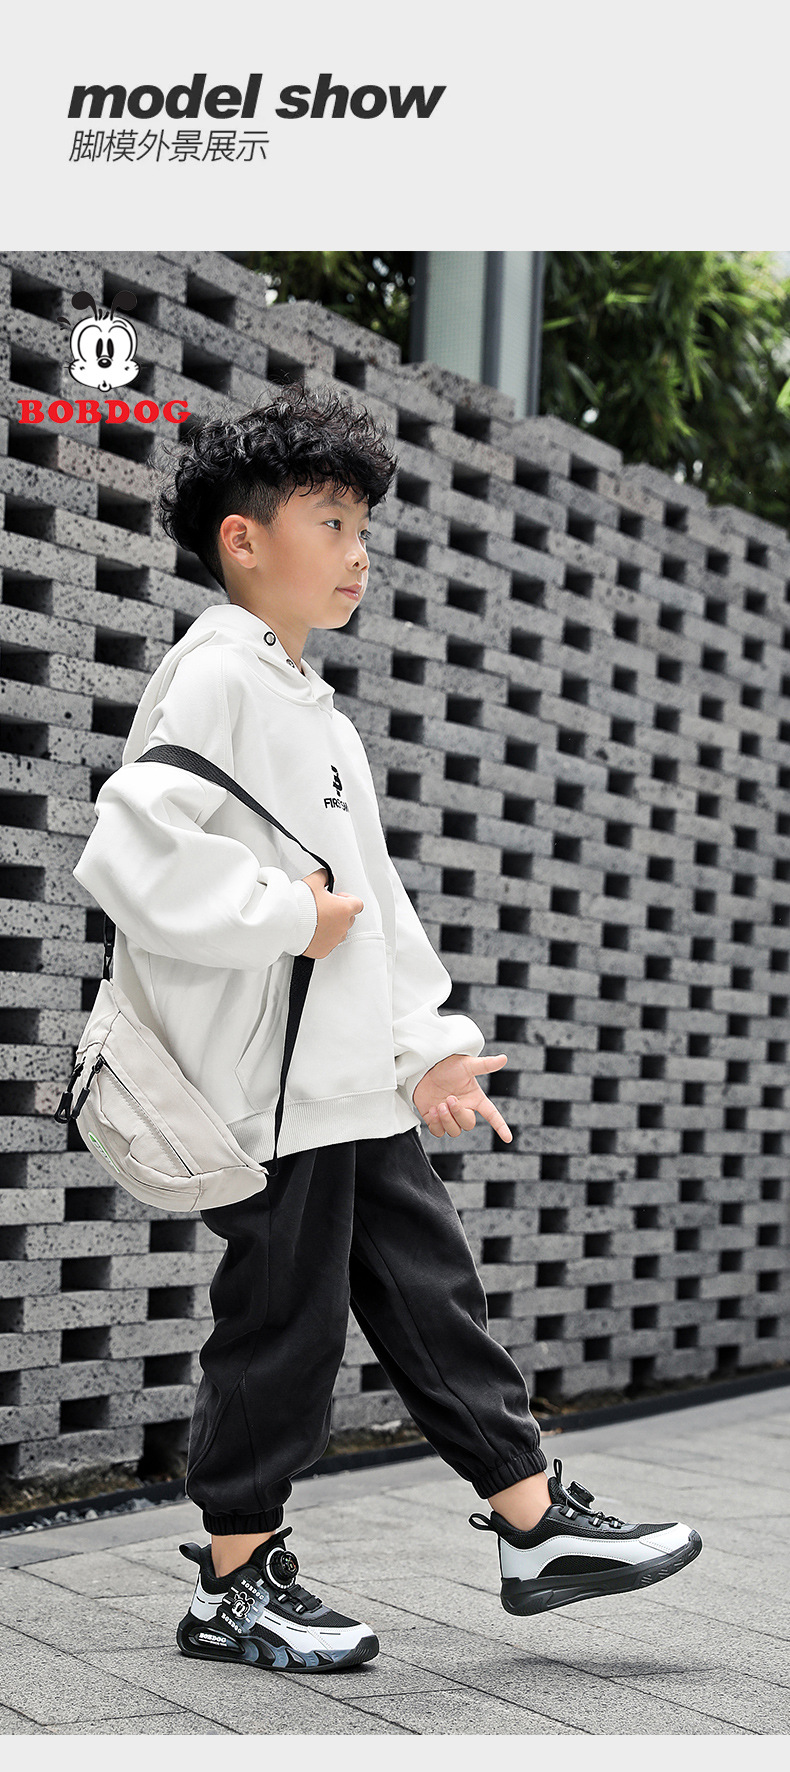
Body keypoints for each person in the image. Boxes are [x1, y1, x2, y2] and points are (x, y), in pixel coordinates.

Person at [73, 384, 701, 1675]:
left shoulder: (314, 710)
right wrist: (280, 917)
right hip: (270, 1089)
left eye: (363, 527)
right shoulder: (216, 676)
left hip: (343, 1081)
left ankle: (531, 1523)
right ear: (244, 539)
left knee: (429, 1294)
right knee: (283, 1328)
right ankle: (233, 1584)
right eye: (331, 523)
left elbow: (376, 911)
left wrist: (429, 1049)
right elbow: (130, 849)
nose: (359, 553)